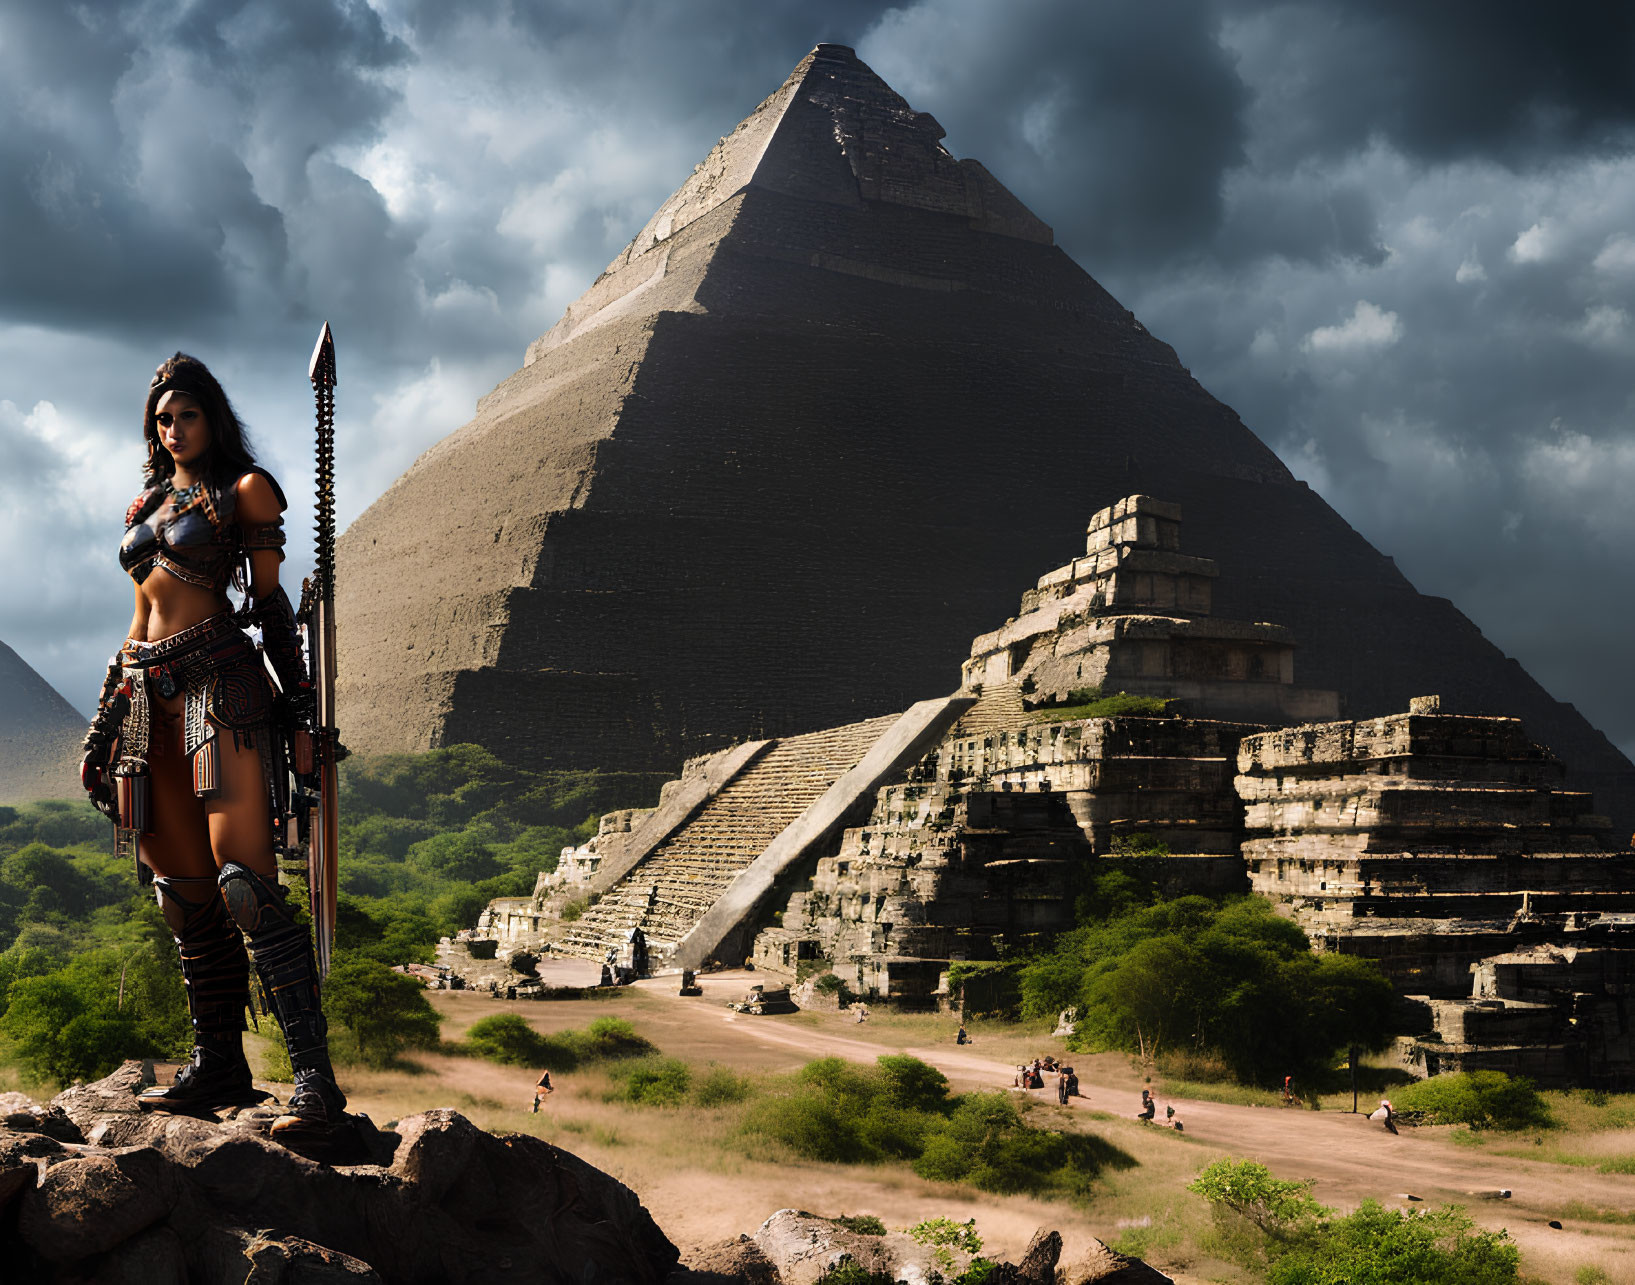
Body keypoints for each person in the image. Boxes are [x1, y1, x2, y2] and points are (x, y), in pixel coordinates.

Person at [79, 353, 346, 1135]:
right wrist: (104, 718)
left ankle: (314, 1084)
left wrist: (298, 711)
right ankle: (219, 1063)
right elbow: (137, 620)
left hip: (220, 689)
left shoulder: (244, 490)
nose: (173, 429)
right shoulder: (146, 502)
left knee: (245, 886)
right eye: (162, 419)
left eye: (186, 415)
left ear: (212, 418)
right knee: (182, 894)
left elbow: (267, 608)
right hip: (146, 697)